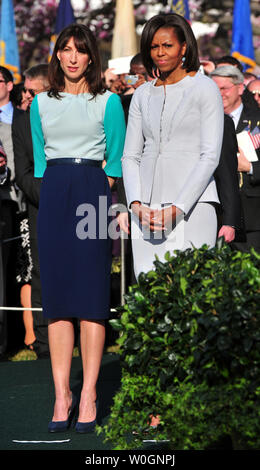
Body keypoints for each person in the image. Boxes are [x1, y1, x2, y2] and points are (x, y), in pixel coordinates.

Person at [30, 24, 125, 432]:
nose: (71, 57)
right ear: (57, 56)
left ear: (91, 57)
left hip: (92, 194)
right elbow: (38, 160)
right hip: (53, 197)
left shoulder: (109, 102)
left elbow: (116, 160)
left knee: (89, 297)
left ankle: (88, 392)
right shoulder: (39, 104)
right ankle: (61, 394)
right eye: (65, 49)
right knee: (57, 301)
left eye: (79, 50)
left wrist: (97, 192)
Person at [122, 13, 224, 279]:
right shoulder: (142, 94)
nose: (160, 53)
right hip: (146, 211)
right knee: (149, 291)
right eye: (154, 46)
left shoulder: (205, 88)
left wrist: (178, 207)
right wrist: (135, 203)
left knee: (193, 293)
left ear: (184, 47)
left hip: (195, 206)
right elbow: (130, 156)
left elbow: (210, 156)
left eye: (167, 45)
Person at [12, 64, 50, 358]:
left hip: (80, 207)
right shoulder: (21, 122)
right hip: (39, 205)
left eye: (30, 91)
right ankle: (43, 343)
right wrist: (45, 195)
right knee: (40, 275)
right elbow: (22, 169)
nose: (24, 96)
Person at [211, 65, 260, 251]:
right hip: (218, 215)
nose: (220, 94)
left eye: (224, 88)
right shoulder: (207, 121)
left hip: (252, 217)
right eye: (215, 89)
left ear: (240, 88)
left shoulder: (257, 119)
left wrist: (251, 167)